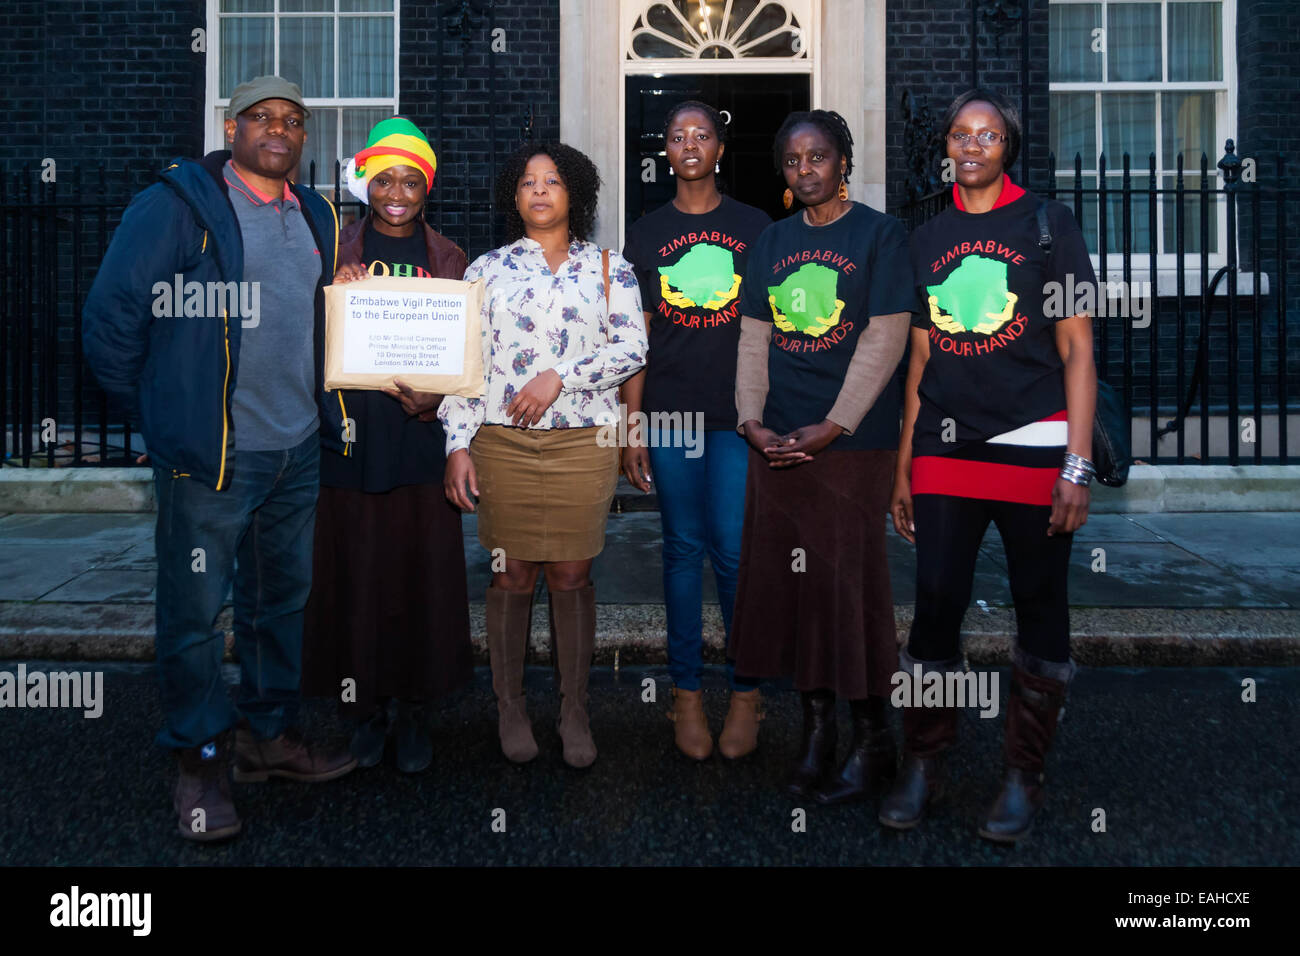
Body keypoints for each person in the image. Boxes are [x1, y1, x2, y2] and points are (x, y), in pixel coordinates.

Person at [82, 76, 357, 843]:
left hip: (296, 448)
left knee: (280, 603)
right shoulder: (178, 206)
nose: (280, 129)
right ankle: (201, 762)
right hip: (212, 458)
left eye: (294, 120)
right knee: (196, 617)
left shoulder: (318, 214)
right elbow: (111, 320)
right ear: (231, 128)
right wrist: (166, 419)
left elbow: (325, 315)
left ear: (305, 138)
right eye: (263, 117)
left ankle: (267, 738)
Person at [881, 88, 1096, 843]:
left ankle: (1022, 775)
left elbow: (1077, 346)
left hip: (1037, 441)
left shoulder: (1049, 226)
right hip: (946, 442)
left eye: (989, 135)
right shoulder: (925, 238)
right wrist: (907, 460)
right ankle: (924, 760)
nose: (972, 146)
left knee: (1040, 604)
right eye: (960, 135)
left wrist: (1077, 463)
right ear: (947, 147)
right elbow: (920, 352)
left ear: (1007, 147)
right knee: (937, 600)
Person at [439, 142, 647, 769]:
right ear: (515, 194)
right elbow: (464, 369)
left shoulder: (612, 268)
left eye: (552, 181)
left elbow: (632, 349)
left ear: (574, 193)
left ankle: (574, 707)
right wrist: (456, 445)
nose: (539, 191)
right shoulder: (486, 270)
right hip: (501, 444)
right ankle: (509, 706)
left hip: (584, 445)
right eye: (527, 181)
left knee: (571, 575)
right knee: (512, 574)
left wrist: (561, 374)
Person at [729, 110, 915, 804]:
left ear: (844, 161)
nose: (806, 171)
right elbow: (754, 337)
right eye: (793, 161)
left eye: (819, 158)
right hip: (777, 444)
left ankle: (873, 739)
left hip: (850, 448)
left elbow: (886, 338)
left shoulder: (881, 234)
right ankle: (816, 732)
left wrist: (834, 426)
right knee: (794, 590)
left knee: (848, 591)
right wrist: (750, 420)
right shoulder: (771, 242)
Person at [301, 117, 473, 774]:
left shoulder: (449, 256)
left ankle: (414, 708)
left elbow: (467, 355)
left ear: (425, 187)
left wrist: (440, 397)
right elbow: (307, 343)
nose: (396, 190)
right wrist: (332, 302)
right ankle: (363, 709)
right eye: (385, 177)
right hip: (350, 436)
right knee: (356, 576)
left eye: (410, 178)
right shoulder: (333, 251)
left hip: (419, 439)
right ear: (367, 181)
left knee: (418, 575)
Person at [621, 101, 772, 761]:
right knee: (683, 551)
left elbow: (771, 328)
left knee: (736, 552)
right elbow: (637, 337)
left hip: (739, 414)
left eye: (701, 135)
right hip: (672, 411)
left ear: (718, 148)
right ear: (667, 149)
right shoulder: (646, 233)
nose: (689, 144)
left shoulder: (756, 226)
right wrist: (630, 424)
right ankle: (686, 693)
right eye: (677, 135)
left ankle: (745, 690)